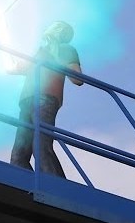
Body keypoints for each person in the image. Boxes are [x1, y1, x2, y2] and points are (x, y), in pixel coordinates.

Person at [7, 21, 83, 178]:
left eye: (54, 26)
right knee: (18, 156)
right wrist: (12, 65)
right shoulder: (40, 53)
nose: (49, 28)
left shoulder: (66, 50)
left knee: (41, 147)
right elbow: (19, 68)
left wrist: (61, 63)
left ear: (60, 31)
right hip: (26, 101)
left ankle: (59, 189)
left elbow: (77, 78)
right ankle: (26, 188)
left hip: (45, 99)